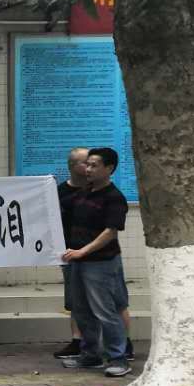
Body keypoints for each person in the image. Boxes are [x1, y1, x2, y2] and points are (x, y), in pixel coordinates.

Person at [54, 147, 134, 361]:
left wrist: (83, 251)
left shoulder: (114, 197)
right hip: (78, 261)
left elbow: (110, 232)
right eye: (87, 165)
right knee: (81, 311)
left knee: (105, 311)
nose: (88, 169)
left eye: (94, 166)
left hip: (101, 263)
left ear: (109, 168)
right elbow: (57, 206)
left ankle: (118, 358)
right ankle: (90, 354)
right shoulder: (84, 192)